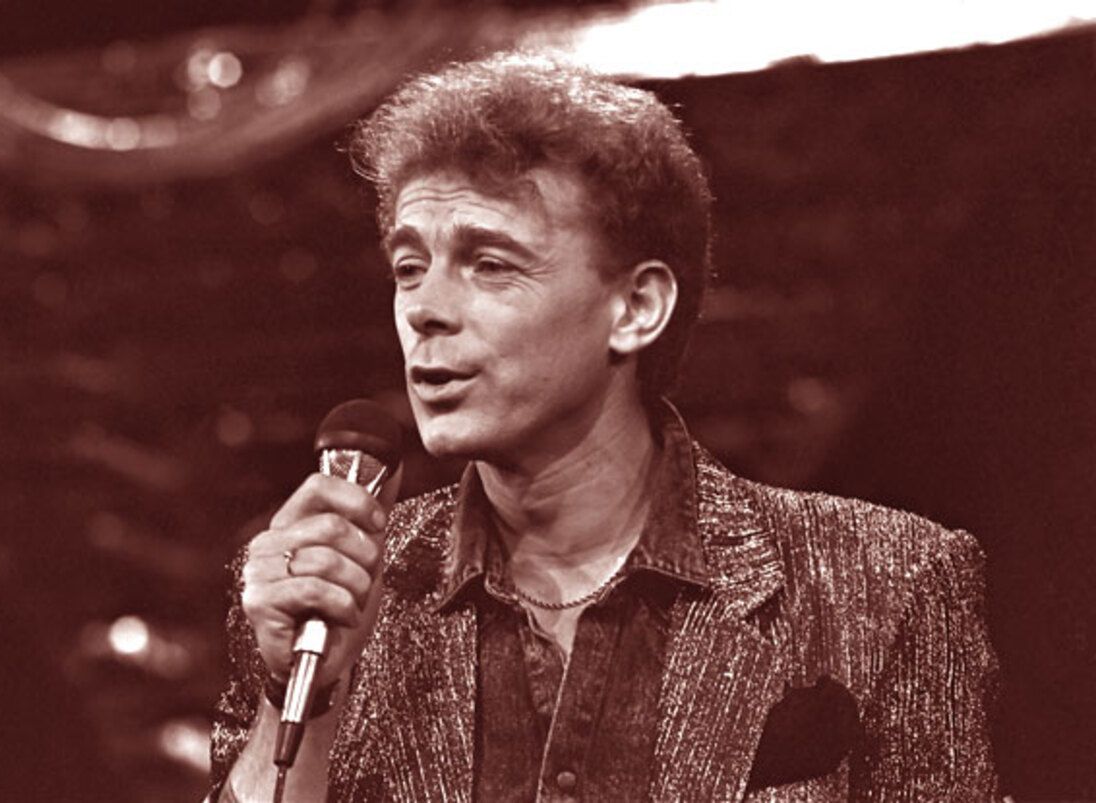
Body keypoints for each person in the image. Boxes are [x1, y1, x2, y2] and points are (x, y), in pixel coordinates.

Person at [209, 52, 1001, 801]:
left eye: (489, 264)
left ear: (636, 308)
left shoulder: (886, 582)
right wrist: (303, 696)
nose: (424, 309)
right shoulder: (323, 593)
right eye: (410, 267)